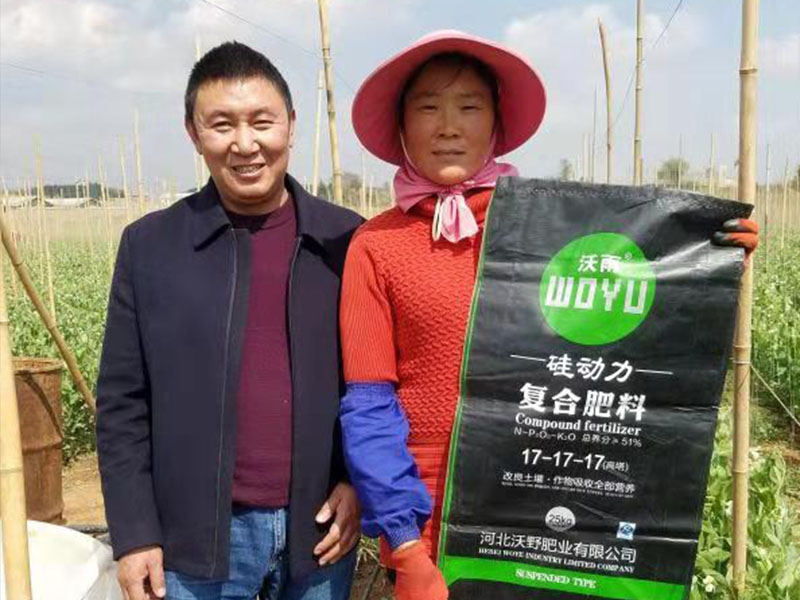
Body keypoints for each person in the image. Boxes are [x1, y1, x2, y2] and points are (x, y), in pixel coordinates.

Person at [337, 30, 759, 600]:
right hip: (432, 519)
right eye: (428, 108)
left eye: (469, 107)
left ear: (496, 124)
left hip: (553, 492)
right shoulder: (376, 245)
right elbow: (370, 404)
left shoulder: (554, 232)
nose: (448, 126)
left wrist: (705, 258)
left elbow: (634, 324)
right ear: (401, 127)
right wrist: (405, 542)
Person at [96, 41, 363, 600]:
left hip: (319, 529)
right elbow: (122, 403)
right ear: (194, 134)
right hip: (192, 542)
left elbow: (377, 384)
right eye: (221, 125)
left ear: (291, 125)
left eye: (262, 122)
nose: (245, 144)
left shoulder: (347, 241)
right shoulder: (151, 247)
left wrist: (356, 483)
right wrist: (135, 533)